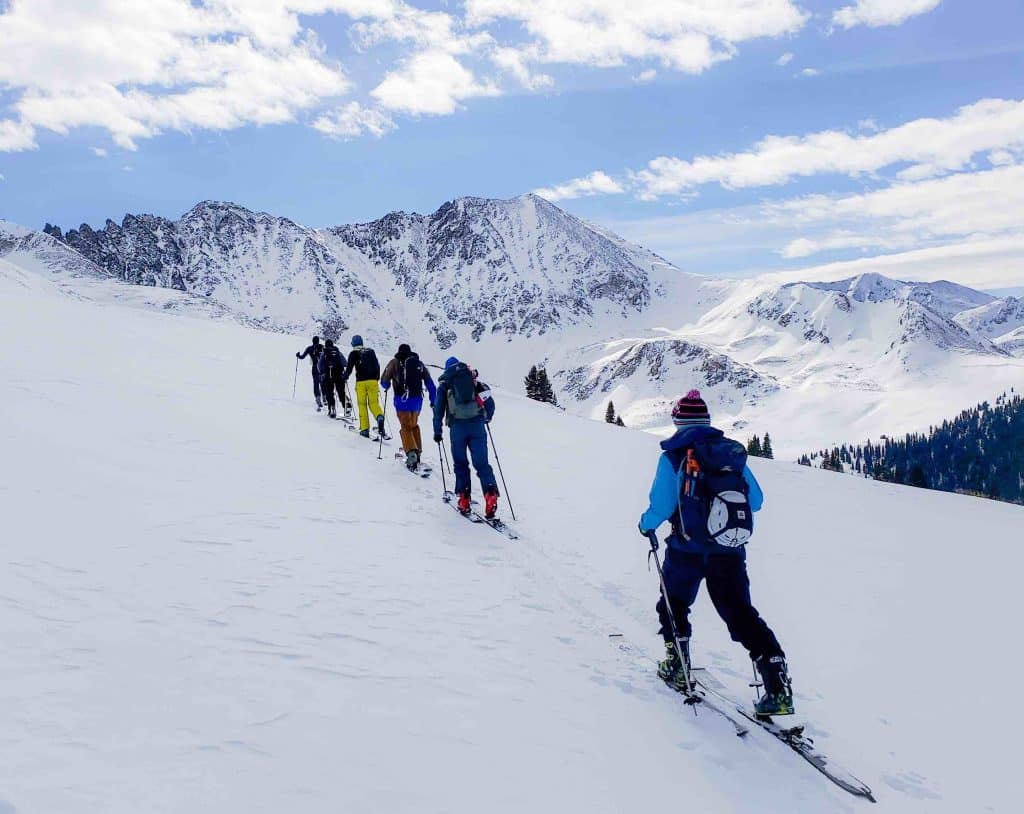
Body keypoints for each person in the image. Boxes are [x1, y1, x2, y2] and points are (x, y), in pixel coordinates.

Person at [637, 389, 794, 716]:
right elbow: (756, 501)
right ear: (707, 420)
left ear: (678, 421)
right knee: (740, 613)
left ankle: (677, 665)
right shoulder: (729, 456)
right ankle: (777, 683)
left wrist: (645, 524)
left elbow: (662, 505)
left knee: (674, 604)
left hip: (686, 549)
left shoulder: (673, 457)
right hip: (729, 550)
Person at [432, 357, 499, 518]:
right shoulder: (473, 380)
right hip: (477, 426)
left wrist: (437, 431)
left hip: (457, 428)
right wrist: (486, 418)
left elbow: (438, 410)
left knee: (461, 464)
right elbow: (490, 404)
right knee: (482, 464)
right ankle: (490, 495)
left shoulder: (445, 385)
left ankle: (464, 499)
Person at [381, 343, 437, 470]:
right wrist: (433, 400)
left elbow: (384, 382)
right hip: (417, 401)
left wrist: (388, 385)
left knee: (405, 427)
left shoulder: (394, 362)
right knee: (413, 425)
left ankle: (412, 455)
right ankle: (417, 452)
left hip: (402, 401)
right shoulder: (419, 364)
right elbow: (430, 384)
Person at [341, 335, 385, 438]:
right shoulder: (371, 351)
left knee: (362, 405)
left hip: (361, 382)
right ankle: (379, 417)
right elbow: (377, 366)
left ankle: (365, 429)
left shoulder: (353, 353)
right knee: (374, 403)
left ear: (353, 344)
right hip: (373, 382)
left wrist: (344, 377)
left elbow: (349, 368)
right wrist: (376, 379)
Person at [317, 339, 349, 419]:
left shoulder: (324, 353)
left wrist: (322, 373)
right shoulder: (338, 352)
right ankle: (346, 405)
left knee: (329, 392)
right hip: (339, 375)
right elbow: (345, 363)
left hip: (328, 376)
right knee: (341, 392)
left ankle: (332, 407)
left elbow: (319, 365)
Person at [296, 336, 323, 411]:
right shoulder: (322, 347)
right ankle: (324, 397)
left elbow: (302, 357)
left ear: (312, 341)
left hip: (315, 367)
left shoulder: (309, 348)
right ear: (318, 341)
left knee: (316, 383)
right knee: (322, 382)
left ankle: (318, 398)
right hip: (322, 367)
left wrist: (298, 355)